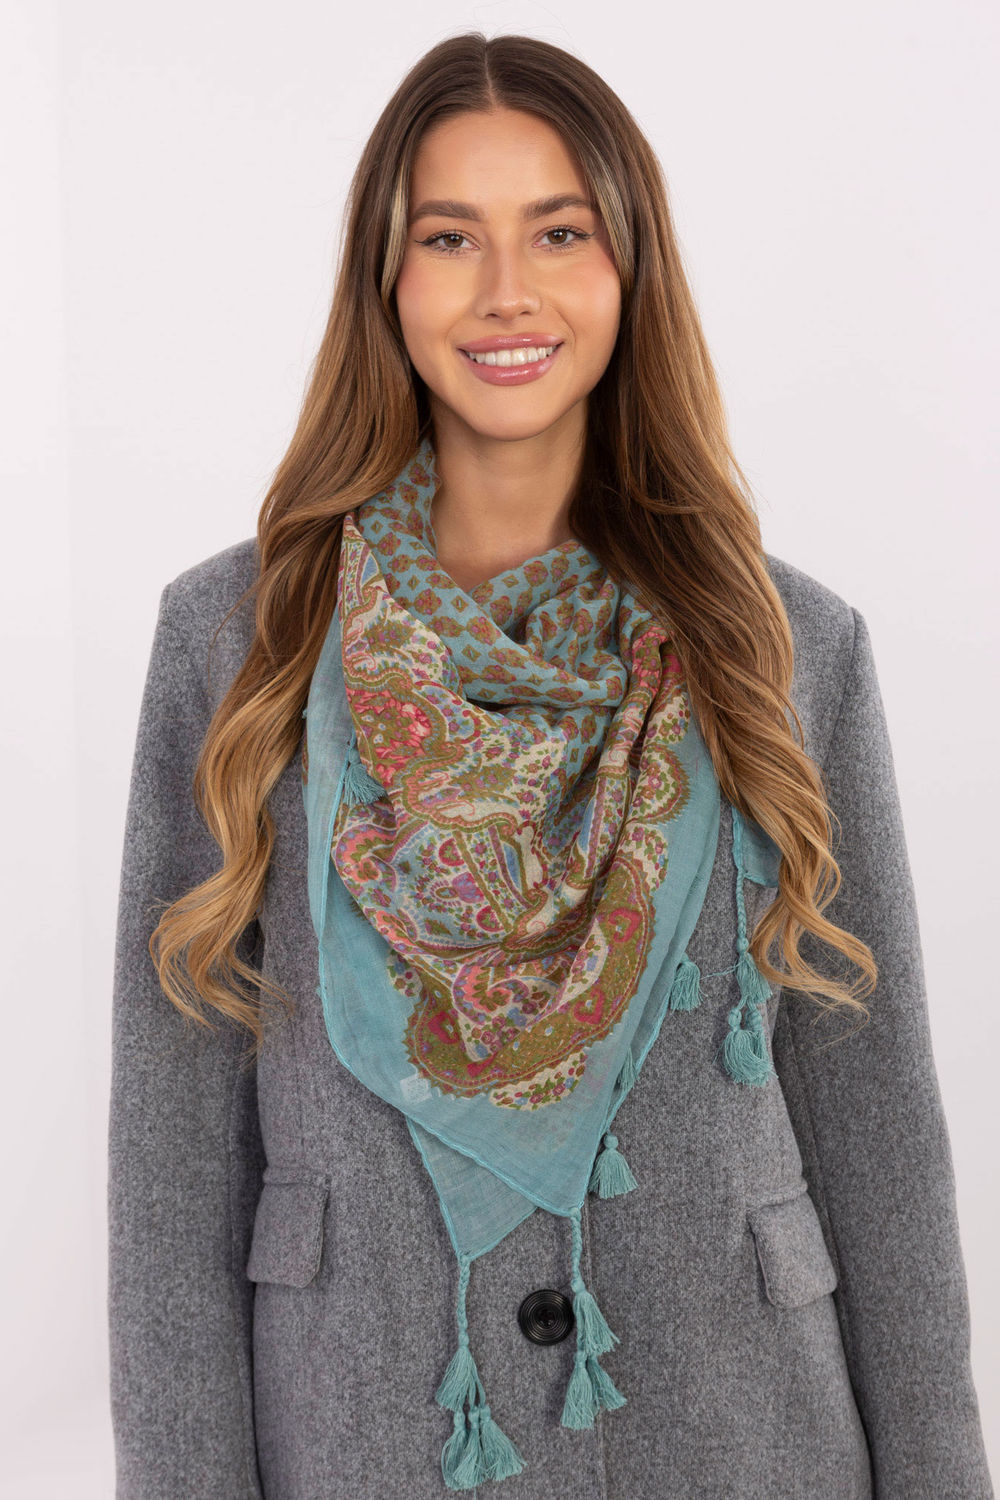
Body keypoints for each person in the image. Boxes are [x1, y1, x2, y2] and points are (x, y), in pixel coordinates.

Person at [107, 30, 993, 1500]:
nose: (506, 291)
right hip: (364, 1425)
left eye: (561, 232)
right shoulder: (236, 642)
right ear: (385, 277)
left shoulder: (783, 645)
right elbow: (170, 1161)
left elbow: (877, 1124)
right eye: (450, 236)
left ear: (629, 268)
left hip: (740, 1424)